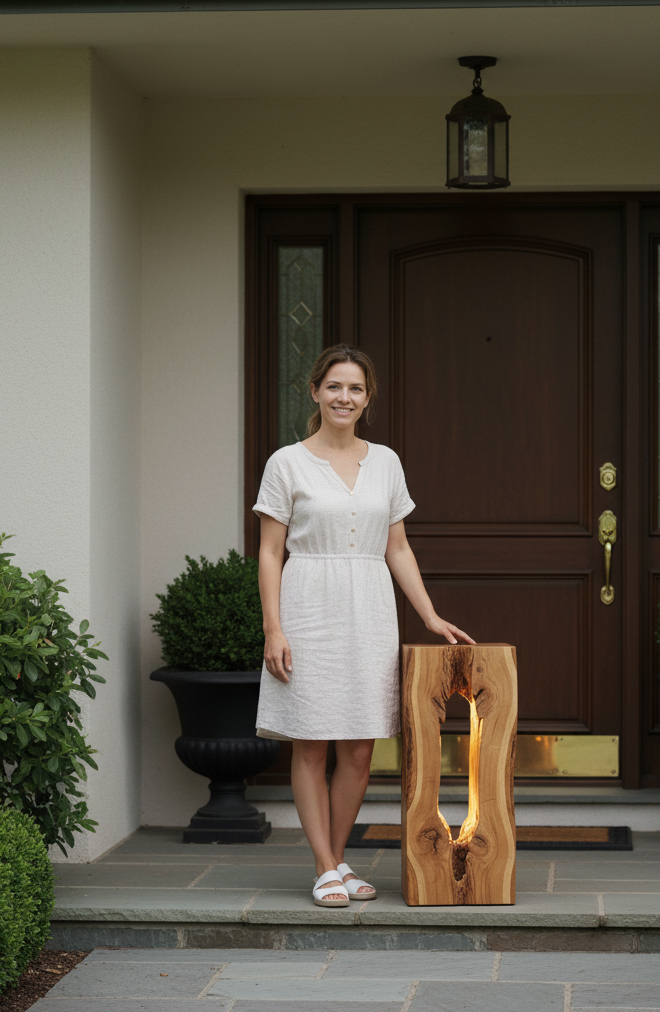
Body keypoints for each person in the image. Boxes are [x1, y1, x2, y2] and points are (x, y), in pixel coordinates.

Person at [253, 344, 475, 908]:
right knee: (311, 741)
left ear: (367, 398)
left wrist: (428, 614)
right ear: (314, 392)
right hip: (308, 607)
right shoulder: (287, 462)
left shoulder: (387, 462)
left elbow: (397, 548)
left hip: (370, 610)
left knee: (357, 747)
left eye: (354, 388)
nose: (343, 397)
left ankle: (338, 859)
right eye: (334, 387)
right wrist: (273, 629)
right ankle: (325, 866)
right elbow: (269, 552)